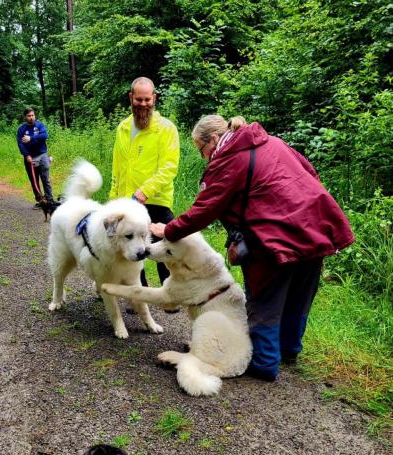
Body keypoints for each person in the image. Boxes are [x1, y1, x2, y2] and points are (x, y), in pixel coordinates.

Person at [151, 115, 354, 381]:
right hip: (314, 227)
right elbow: (310, 174)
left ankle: (265, 363)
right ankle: (289, 350)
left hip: (272, 240)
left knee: (264, 301)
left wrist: (167, 230)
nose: (205, 157)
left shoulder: (227, 160)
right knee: (299, 295)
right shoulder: (274, 142)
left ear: (213, 140)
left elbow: (205, 209)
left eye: (202, 150)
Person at [109, 77, 180, 290]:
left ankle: (169, 293)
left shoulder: (166, 129)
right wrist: (114, 201)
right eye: (138, 99)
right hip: (127, 203)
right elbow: (117, 168)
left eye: (147, 99)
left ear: (154, 98)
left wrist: (145, 191)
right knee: (131, 250)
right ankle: (138, 293)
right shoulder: (122, 128)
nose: (143, 104)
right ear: (131, 98)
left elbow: (169, 167)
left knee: (165, 248)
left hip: (156, 200)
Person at [17, 107, 54, 207]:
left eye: (32, 115)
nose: (31, 117)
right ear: (25, 117)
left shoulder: (40, 125)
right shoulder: (21, 129)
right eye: (29, 116)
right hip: (30, 158)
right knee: (34, 181)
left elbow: (44, 136)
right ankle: (40, 201)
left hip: (42, 155)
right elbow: (20, 144)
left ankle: (50, 200)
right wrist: (26, 155)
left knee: (46, 179)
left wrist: (31, 138)